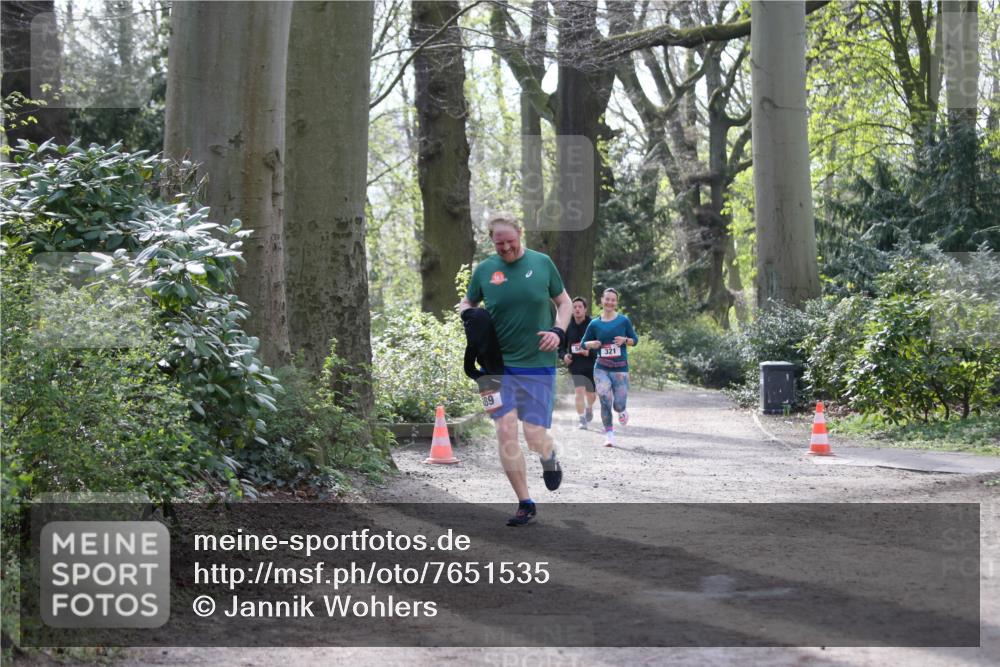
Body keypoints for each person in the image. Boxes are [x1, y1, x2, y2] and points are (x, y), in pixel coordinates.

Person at [459, 212, 572, 526]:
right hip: (494, 368)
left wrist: (558, 331)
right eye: (499, 244)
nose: (505, 248)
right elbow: (467, 305)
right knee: (505, 430)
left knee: (534, 436)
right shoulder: (484, 271)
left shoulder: (542, 263)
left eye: (510, 242)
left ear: (520, 234)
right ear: (491, 241)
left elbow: (563, 303)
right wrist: (471, 318)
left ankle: (548, 456)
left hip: (537, 364)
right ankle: (525, 502)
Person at [581, 287, 638, 447]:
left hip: (620, 369)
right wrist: (591, 344)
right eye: (607, 299)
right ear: (602, 300)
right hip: (601, 368)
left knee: (618, 404)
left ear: (616, 302)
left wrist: (625, 340)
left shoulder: (623, 321)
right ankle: (609, 434)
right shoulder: (594, 324)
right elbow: (583, 343)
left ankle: (622, 411)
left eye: (613, 300)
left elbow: (635, 340)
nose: (609, 302)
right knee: (605, 400)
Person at [559, 296, 597, 430]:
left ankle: (589, 408)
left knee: (591, 395)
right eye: (574, 307)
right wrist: (564, 356)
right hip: (576, 365)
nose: (577, 309)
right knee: (579, 392)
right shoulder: (568, 326)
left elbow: (600, 345)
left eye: (580, 307)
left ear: (585, 309)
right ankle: (582, 419)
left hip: (591, 364)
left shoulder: (593, 325)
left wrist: (589, 352)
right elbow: (561, 347)